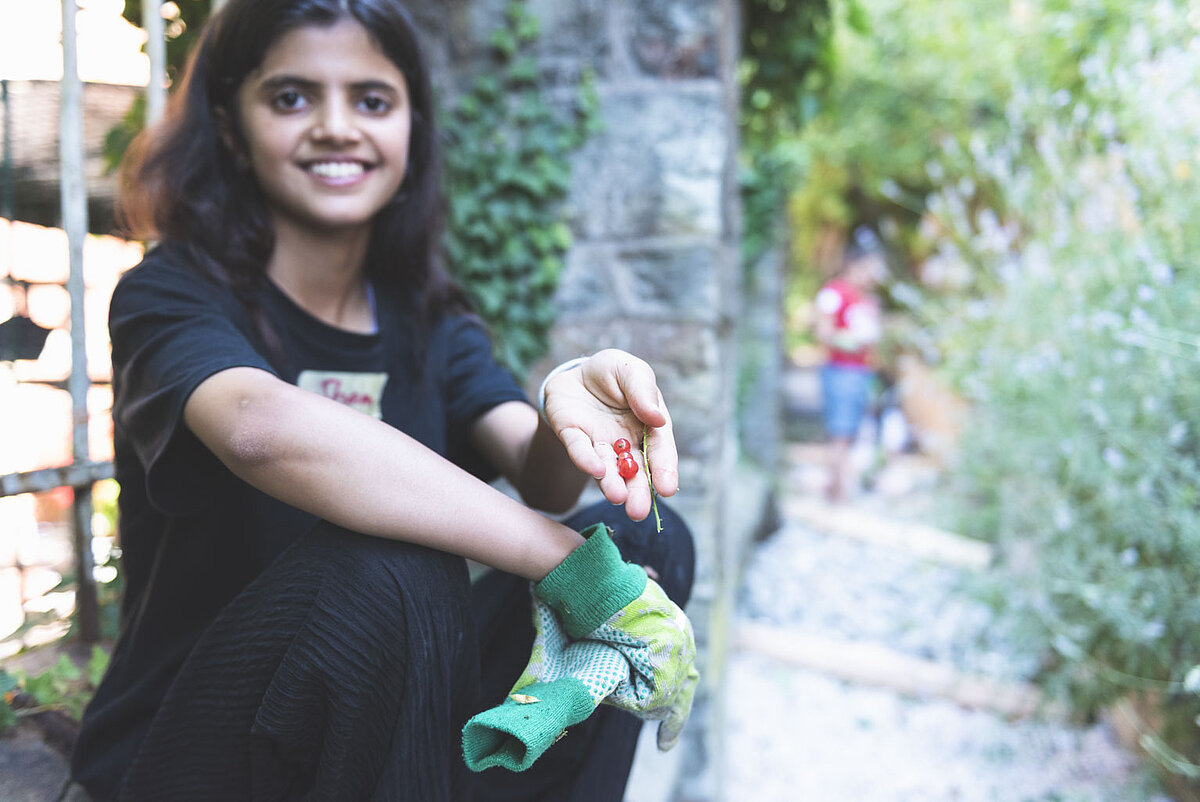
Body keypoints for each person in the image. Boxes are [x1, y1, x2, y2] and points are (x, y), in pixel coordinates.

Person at [64, 1, 696, 800]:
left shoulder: (427, 322)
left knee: (643, 540)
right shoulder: (170, 295)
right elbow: (261, 429)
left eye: (371, 100)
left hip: (389, 732)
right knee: (395, 566)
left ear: (411, 129)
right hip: (197, 746)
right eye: (291, 97)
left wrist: (566, 397)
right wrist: (570, 567)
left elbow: (541, 477)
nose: (336, 127)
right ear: (230, 127)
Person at [814, 238, 885, 502]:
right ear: (855, 265)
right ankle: (836, 492)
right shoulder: (834, 293)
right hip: (841, 370)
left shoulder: (865, 298)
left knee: (849, 433)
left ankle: (837, 488)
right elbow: (823, 331)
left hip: (860, 373)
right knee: (840, 433)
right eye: (870, 268)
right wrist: (853, 341)